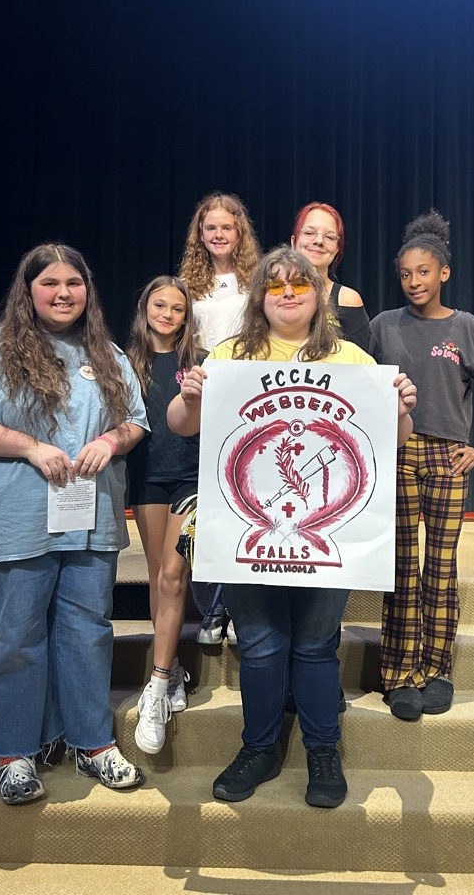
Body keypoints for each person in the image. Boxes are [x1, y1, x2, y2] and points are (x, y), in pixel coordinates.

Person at [168, 246, 417, 809]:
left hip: (330, 538)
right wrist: (189, 397)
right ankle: (258, 748)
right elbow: (181, 425)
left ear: (317, 295)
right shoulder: (229, 354)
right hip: (243, 530)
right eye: (274, 286)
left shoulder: (352, 358)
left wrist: (400, 406)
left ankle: (323, 749)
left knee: (314, 646)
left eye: (298, 285)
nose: (286, 295)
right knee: (258, 645)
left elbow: (395, 438)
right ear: (259, 296)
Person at [0, 243, 148, 805]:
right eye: (50, 283)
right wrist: (31, 448)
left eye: (74, 283)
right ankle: (15, 753)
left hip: (91, 519)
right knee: (16, 638)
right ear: (27, 290)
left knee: (88, 631)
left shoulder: (106, 354)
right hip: (16, 519)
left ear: (88, 290)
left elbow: (135, 421)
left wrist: (112, 438)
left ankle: (92, 742)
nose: (63, 293)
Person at [370, 210, 474, 721]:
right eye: (406, 274)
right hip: (396, 455)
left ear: (444, 273)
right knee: (400, 566)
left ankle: (437, 670)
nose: (415, 282)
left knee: (439, 566)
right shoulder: (383, 326)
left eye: (424, 272)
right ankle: (399, 675)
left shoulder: (464, 327)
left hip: (448, 457)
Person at [126, 275, 205, 755]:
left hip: (191, 477)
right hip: (147, 476)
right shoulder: (121, 361)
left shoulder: (199, 362)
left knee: (176, 576)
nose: (168, 315)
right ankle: (171, 665)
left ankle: (158, 680)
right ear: (145, 307)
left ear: (186, 317)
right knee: (157, 577)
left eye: (178, 309)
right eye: (161, 305)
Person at [178, 192, 262, 645]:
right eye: (210, 228)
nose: (218, 235)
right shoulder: (187, 282)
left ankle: (242, 604)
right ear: (201, 234)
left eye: (226, 227)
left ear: (239, 232)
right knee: (208, 503)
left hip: (248, 390)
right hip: (204, 390)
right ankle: (212, 607)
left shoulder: (259, 278)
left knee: (245, 496)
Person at [291, 202, 371, 352]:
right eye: (309, 233)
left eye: (329, 237)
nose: (319, 241)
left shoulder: (348, 299)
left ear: (337, 249)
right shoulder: (272, 295)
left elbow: (362, 366)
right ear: (293, 242)